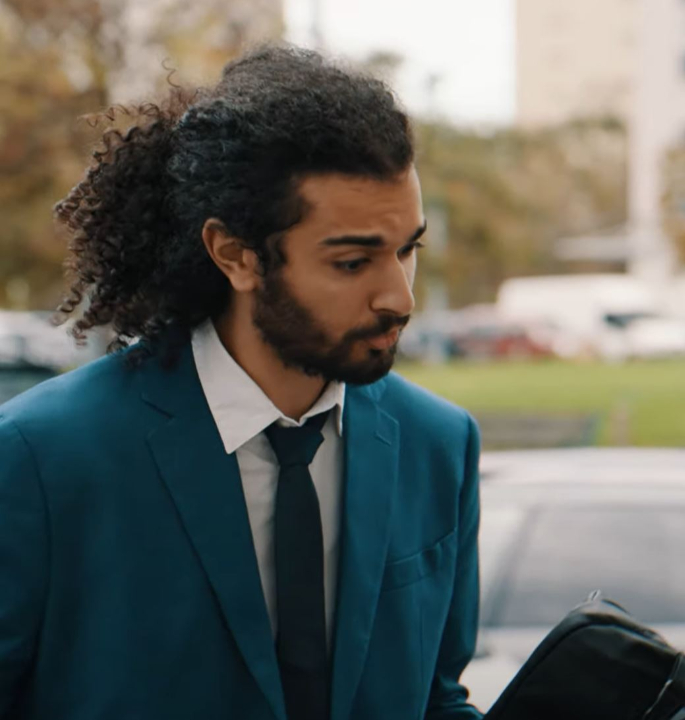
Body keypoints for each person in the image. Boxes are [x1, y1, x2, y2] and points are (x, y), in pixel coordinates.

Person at [0, 46, 483, 720]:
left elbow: (435, 698)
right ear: (235, 255)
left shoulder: (441, 445)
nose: (399, 297)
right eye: (353, 261)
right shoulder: (42, 458)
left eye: (407, 251)